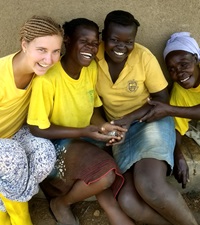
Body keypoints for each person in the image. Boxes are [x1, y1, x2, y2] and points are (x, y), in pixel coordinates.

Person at [27, 18, 136, 225]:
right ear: (67, 41)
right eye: (83, 41)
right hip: (55, 142)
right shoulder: (47, 78)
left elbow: (93, 108)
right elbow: (37, 129)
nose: (91, 48)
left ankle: (111, 209)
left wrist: (103, 126)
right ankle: (61, 202)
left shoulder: (90, 69)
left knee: (108, 160)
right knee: (104, 174)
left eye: (95, 43)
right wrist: (85, 132)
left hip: (84, 136)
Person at [95, 10, 198, 225]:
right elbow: (92, 105)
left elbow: (161, 98)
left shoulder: (143, 57)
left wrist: (129, 119)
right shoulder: (93, 59)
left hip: (150, 119)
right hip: (121, 130)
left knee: (150, 186)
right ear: (104, 36)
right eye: (114, 40)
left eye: (129, 41)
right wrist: (107, 127)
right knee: (129, 201)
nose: (121, 47)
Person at [0, 15, 63, 225]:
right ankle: (20, 219)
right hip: (5, 148)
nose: (49, 59)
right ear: (24, 45)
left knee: (44, 152)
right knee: (11, 154)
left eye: (56, 51)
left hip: (11, 137)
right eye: (42, 50)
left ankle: (2, 209)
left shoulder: (42, 72)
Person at [141, 32, 200, 190]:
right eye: (172, 69)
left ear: (196, 58)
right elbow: (176, 128)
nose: (179, 72)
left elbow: (173, 112)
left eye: (184, 64)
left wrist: (169, 109)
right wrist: (178, 154)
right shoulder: (180, 93)